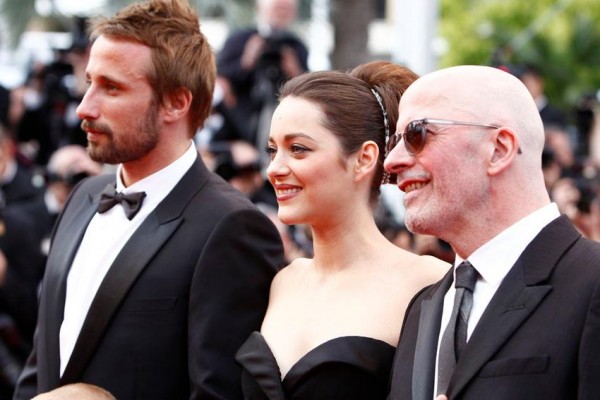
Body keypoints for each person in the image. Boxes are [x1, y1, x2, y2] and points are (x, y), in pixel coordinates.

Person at [13, 1, 284, 399]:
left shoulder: (231, 227)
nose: (85, 107)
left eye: (111, 87)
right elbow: (40, 370)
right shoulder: (84, 196)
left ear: (177, 102)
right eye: (89, 82)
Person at [235, 60, 449, 399]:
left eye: (299, 149)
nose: (275, 169)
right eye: (273, 150)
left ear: (364, 159)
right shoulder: (283, 281)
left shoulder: (429, 284)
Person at [383, 65, 600, 400]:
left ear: (498, 149)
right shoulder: (424, 307)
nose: (392, 161)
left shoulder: (591, 281)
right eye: (394, 142)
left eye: (416, 134)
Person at [215, 0, 308, 152]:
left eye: (286, 9)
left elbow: (308, 88)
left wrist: (294, 71)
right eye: (277, 8)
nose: (281, 13)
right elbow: (220, 80)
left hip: (281, 121)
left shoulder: (296, 46)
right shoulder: (239, 40)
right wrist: (245, 62)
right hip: (239, 126)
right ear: (260, 8)